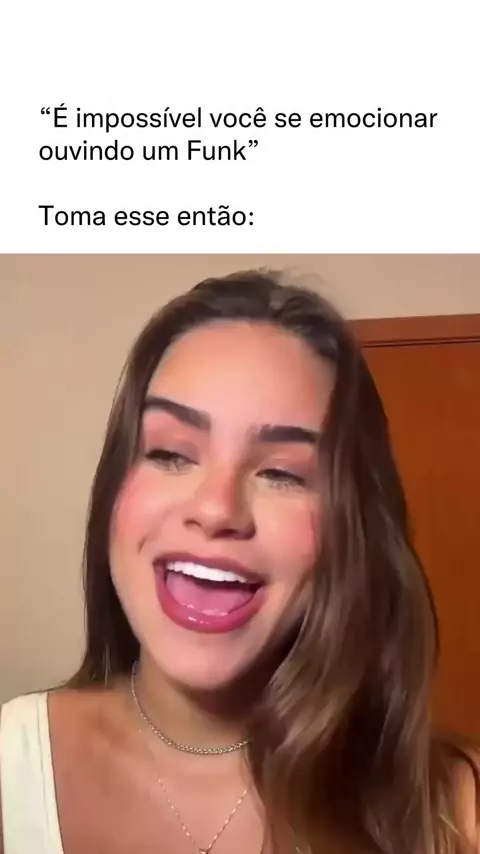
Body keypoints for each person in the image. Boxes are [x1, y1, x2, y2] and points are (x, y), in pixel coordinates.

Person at [0, 270, 478, 854]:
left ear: (351, 529)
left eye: (281, 472)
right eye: (171, 454)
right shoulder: (12, 767)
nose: (216, 509)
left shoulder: (456, 810)